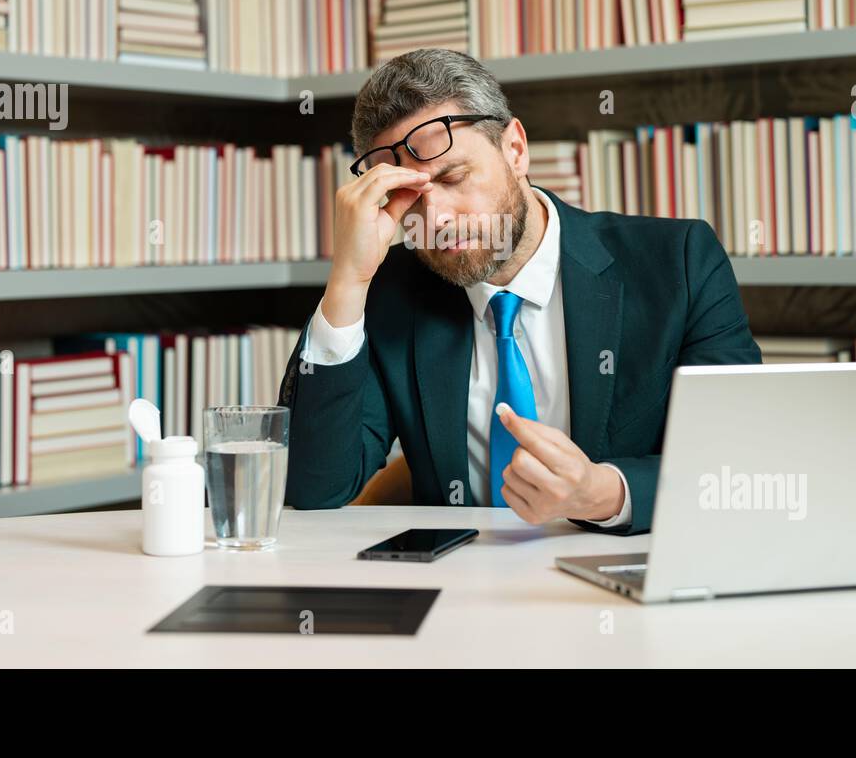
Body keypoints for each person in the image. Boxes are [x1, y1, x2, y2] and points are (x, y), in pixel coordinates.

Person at [278, 48, 761, 534]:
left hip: (620, 574)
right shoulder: (387, 289)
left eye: (453, 177)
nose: (437, 218)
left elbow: (737, 463)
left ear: (515, 148)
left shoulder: (678, 261)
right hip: (456, 587)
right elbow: (315, 487)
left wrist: (604, 492)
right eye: (407, 198)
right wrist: (347, 280)